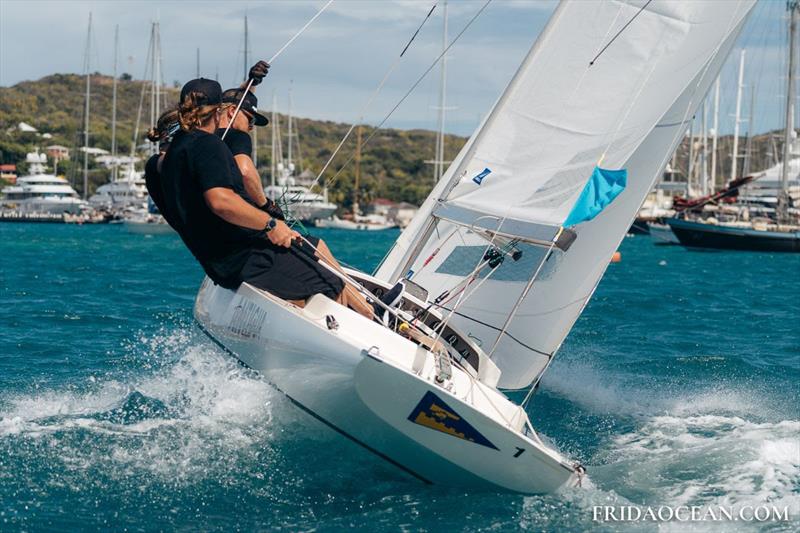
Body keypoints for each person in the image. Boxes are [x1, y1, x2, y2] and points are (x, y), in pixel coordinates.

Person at [152, 77, 373, 318]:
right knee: (331, 284)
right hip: (248, 259)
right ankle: (368, 328)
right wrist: (269, 224)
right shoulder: (207, 145)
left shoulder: (170, 156)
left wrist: (250, 82)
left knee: (315, 247)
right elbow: (221, 200)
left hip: (219, 262)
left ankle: (369, 312)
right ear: (218, 112)